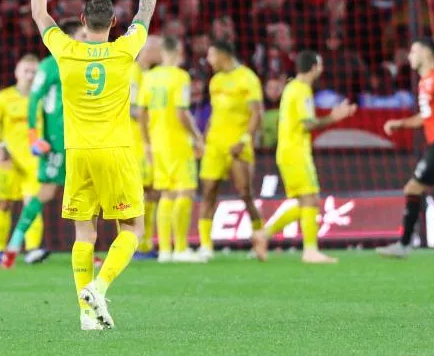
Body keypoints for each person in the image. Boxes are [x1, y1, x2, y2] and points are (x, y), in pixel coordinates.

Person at [27, 0, 165, 330]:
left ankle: (86, 313)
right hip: (116, 150)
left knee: (84, 231)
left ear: (83, 20)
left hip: (78, 152)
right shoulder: (124, 51)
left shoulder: (66, 51)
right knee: (132, 229)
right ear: (114, 22)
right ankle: (99, 289)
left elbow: (41, 14)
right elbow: (145, 13)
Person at [0, 20, 88, 269]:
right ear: (70, 37)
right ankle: (13, 246)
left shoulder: (85, 63)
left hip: (81, 140)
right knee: (46, 193)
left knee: (83, 195)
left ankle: (86, 252)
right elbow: (33, 100)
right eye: (82, 34)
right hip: (56, 143)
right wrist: (33, 137)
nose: (86, 38)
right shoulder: (50, 65)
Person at [252, 51, 356, 263]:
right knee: (310, 199)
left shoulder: (292, 88)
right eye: (320, 64)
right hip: (295, 152)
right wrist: (334, 117)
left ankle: (265, 234)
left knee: (307, 202)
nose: (322, 68)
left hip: (290, 152)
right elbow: (308, 123)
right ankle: (309, 250)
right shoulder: (301, 90)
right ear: (314, 67)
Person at [377, 38, 434, 258]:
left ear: (426, 54)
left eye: (413, 51)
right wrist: (401, 124)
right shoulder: (424, 82)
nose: (410, 56)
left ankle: (404, 244)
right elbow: (426, 117)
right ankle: (404, 244)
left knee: (412, 189)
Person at [198, 40, 265, 262]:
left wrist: (245, 139)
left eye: (211, 56)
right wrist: (204, 139)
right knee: (208, 193)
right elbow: (216, 113)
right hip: (215, 145)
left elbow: (257, 113)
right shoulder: (215, 81)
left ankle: (258, 241)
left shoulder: (248, 78)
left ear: (222, 55)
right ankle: (206, 247)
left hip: (238, 145)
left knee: (245, 194)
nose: (209, 60)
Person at [138, 36, 204, 263]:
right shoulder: (180, 77)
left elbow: (142, 115)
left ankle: (165, 250)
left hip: (157, 143)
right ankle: (182, 248)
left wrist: (146, 143)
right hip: (177, 142)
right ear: (178, 50)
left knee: (166, 195)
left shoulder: (149, 77)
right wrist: (196, 137)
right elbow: (181, 113)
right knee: (184, 192)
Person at [0, 54, 45, 264]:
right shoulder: (2, 99)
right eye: (26, 71)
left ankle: (32, 249)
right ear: (17, 72)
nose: (30, 76)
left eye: (34, 72)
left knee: (33, 203)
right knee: (4, 204)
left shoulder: (42, 98)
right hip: (9, 161)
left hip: (34, 161)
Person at [130, 35, 163, 259]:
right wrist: (157, 119)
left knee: (152, 192)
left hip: (148, 142)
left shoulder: (150, 74)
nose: (161, 53)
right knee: (136, 195)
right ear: (147, 50)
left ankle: (145, 243)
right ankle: (132, 244)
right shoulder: (132, 71)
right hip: (134, 142)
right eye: (158, 49)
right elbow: (131, 109)